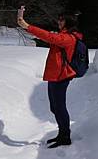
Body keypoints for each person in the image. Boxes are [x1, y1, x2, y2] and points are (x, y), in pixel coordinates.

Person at [17, 10, 83, 148]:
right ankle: (62, 133)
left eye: (62, 20)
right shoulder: (61, 36)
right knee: (55, 107)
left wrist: (27, 26)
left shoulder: (68, 38)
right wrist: (26, 27)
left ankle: (65, 136)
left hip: (61, 77)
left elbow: (49, 37)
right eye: (59, 19)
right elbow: (46, 37)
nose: (59, 22)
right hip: (54, 76)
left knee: (59, 108)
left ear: (68, 22)